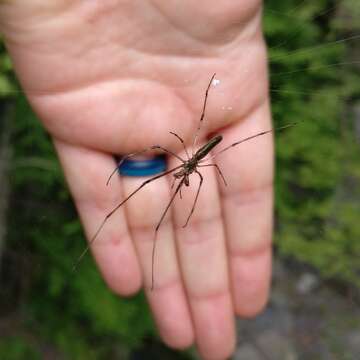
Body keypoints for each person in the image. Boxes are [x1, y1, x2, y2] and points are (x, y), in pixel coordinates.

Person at [0, 1, 273, 359]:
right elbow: (178, 159)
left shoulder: (195, 162)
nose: (182, 176)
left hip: (207, 148)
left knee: (188, 177)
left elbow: (198, 171)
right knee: (159, 188)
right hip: (192, 153)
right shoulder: (184, 165)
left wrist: (187, 198)